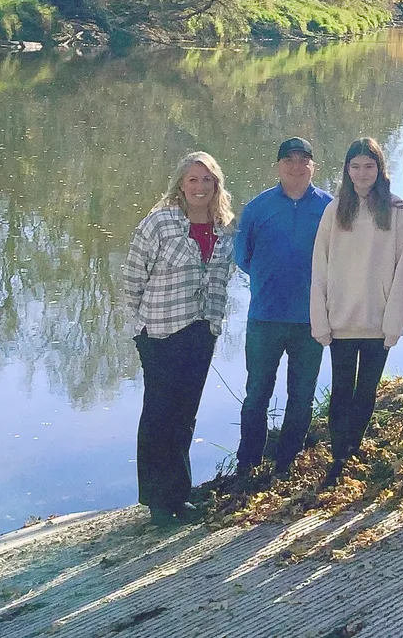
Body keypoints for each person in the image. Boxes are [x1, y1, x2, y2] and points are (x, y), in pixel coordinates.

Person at [123, 151, 235, 526]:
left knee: (185, 414)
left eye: (207, 180)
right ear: (181, 184)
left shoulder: (224, 227)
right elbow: (133, 279)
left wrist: (214, 323)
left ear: (216, 184)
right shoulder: (159, 223)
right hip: (159, 331)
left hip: (201, 330)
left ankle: (179, 495)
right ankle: (156, 501)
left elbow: (221, 279)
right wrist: (141, 326)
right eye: (193, 180)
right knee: (159, 413)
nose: (200, 187)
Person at [312, 138, 403, 487]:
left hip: (378, 320)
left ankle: (353, 448)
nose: (361, 173)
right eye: (355, 166)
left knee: (366, 390)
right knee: (341, 388)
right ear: (346, 170)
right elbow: (320, 266)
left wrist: (395, 323)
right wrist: (320, 318)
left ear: (379, 169)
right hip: (341, 319)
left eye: (368, 166)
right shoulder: (335, 209)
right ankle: (339, 456)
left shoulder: (398, 211)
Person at [234, 137, 333, 481]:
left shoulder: (329, 208)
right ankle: (247, 464)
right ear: (278, 166)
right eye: (288, 160)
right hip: (265, 318)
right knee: (257, 393)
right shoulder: (258, 208)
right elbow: (241, 258)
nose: (296, 166)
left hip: (312, 320)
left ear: (313, 167)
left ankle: (287, 465)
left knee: (301, 395)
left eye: (303, 160)